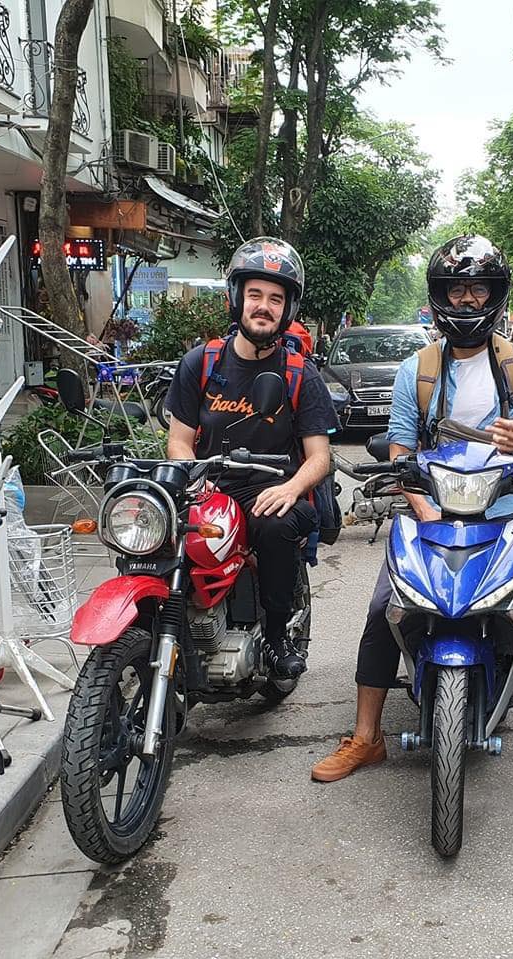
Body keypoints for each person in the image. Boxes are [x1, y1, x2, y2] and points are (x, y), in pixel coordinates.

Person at [310, 234, 513, 795]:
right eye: (456, 289)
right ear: (441, 296)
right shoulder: (415, 370)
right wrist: (419, 507)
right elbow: (398, 448)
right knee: (383, 608)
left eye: (477, 289)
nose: (467, 301)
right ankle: (366, 735)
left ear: (494, 294)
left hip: (508, 512)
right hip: (428, 513)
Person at [163, 237, 336, 678]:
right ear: (236, 299)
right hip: (210, 488)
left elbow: (320, 457)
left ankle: (276, 637)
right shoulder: (200, 363)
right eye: (255, 295)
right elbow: (179, 440)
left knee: (275, 526)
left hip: (274, 490)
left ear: (287, 309)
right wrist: (191, 477)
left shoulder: (300, 374)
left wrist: (292, 486)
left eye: (275, 299)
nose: (264, 306)